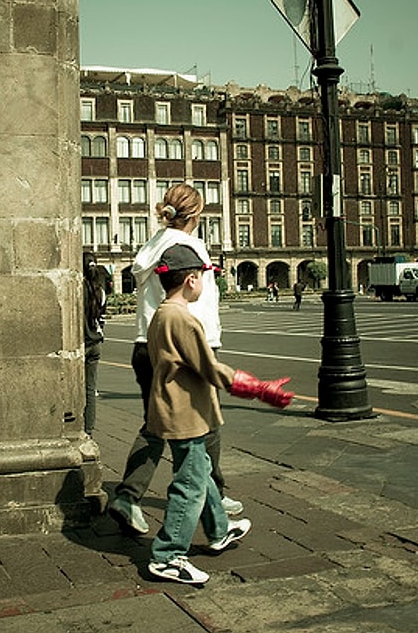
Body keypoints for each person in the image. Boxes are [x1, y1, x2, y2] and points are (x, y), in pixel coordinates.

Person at [144, 244, 294, 584]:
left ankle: (219, 529)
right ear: (192, 279)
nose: (207, 285)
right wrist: (259, 388)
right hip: (185, 413)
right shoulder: (182, 320)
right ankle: (168, 556)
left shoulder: (162, 313)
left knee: (200, 470)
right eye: (207, 279)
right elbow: (210, 368)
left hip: (175, 409)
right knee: (191, 483)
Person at [107, 183, 241, 536]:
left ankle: (128, 496)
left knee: (155, 424)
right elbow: (201, 303)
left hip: (145, 343)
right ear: (196, 215)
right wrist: (209, 349)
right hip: (184, 345)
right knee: (205, 422)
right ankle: (215, 497)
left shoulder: (151, 246)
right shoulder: (190, 247)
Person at [83, 252, 107, 435]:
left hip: (83, 342)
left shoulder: (78, 290)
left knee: (76, 387)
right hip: (96, 342)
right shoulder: (100, 290)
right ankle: (89, 429)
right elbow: (102, 318)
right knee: (91, 389)